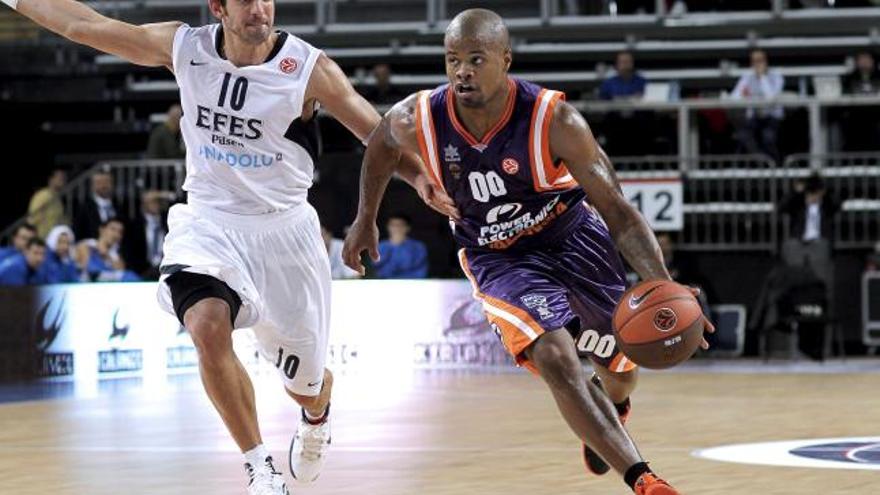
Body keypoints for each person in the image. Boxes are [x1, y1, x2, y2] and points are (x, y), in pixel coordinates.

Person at [6, 1, 451, 493]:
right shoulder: (184, 47)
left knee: (305, 388)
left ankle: (317, 416)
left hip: (284, 233)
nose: (259, 8)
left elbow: (375, 130)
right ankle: (260, 467)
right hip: (209, 220)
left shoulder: (309, 68)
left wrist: (421, 181)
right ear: (218, 7)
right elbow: (84, 25)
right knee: (207, 326)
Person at [343, 9, 713, 495]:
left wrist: (661, 281)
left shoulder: (554, 119)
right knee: (557, 358)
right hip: (498, 257)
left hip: (573, 239)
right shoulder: (421, 116)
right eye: (452, 60)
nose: (462, 72)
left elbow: (618, 212)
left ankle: (612, 407)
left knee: (619, 371)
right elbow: (380, 145)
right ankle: (644, 480)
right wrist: (365, 217)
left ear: (506, 60)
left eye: (476, 59)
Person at [731, 49, 784, 162]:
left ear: (766, 61)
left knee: (768, 137)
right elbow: (734, 96)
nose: (757, 64)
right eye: (754, 61)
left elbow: (770, 98)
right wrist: (742, 95)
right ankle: (762, 162)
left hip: (772, 117)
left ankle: (776, 165)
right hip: (754, 117)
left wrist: (762, 77)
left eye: (760, 60)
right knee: (743, 136)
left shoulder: (776, 76)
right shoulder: (747, 76)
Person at [597, 51, 651, 155]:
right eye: (623, 62)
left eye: (628, 61)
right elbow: (603, 101)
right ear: (616, 65)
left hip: (637, 121)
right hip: (616, 122)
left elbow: (647, 99)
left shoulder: (642, 81)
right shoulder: (608, 83)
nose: (626, 65)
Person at [122, 191, 170, 280]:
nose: (156, 204)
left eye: (158, 201)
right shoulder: (134, 225)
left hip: (167, 270)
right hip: (141, 272)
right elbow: (128, 251)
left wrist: (161, 194)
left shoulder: (168, 222)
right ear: (144, 204)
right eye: (152, 201)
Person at [75, 218, 141, 282]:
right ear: (101, 230)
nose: (116, 235)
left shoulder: (116, 256)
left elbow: (120, 274)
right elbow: (87, 269)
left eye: (120, 232)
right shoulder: (86, 245)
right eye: (113, 229)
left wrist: (107, 256)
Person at [841, 51, 880, 151]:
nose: (864, 62)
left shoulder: (878, 77)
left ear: (873, 61)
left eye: (867, 59)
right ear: (856, 62)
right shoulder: (849, 78)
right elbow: (844, 94)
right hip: (855, 117)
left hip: (875, 117)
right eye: (861, 59)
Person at [373, 214, 429, 278]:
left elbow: (420, 270)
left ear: (408, 228)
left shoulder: (418, 247)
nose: (397, 228)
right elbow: (378, 270)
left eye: (400, 225)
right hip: (386, 284)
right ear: (388, 227)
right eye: (393, 225)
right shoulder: (380, 246)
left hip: (412, 283)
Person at [72, 171, 120, 241]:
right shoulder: (84, 208)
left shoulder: (119, 207)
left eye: (107, 181)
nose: (104, 185)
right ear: (93, 186)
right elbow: (78, 233)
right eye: (99, 182)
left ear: (112, 184)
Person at [27, 168, 68, 239]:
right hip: (41, 237)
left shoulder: (58, 198)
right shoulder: (43, 195)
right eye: (60, 178)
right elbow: (32, 218)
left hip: (53, 238)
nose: (62, 181)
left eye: (64, 178)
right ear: (51, 179)